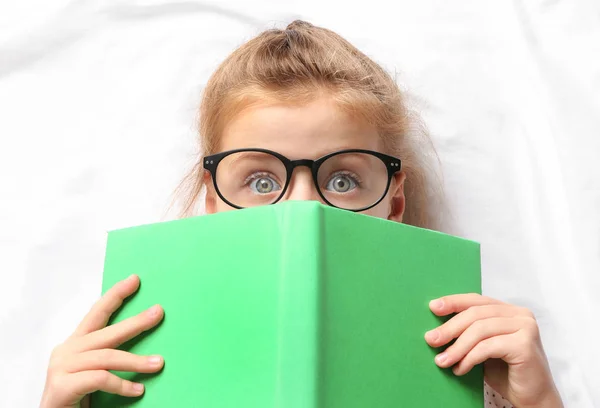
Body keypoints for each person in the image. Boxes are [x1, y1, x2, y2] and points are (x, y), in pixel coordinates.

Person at [40, 20, 563, 408]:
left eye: (343, 180)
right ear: (213, 198)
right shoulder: (128, 354)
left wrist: (538, 400)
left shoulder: (472, 366)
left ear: (394, 202)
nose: (304, 207)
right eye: (262, 181)